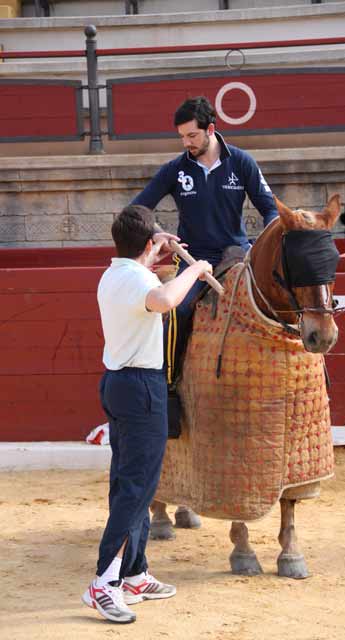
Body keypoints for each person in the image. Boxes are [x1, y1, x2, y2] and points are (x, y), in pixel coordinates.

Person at [82, 204, 212, 624]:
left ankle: (133, 573)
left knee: (130, 481)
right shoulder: (140, 279)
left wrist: (157, 247)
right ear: (148, 244)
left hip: (119, 383)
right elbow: (163, 299)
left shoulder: (113, 273)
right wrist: (195, 270)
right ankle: (104, 582)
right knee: (137, 488)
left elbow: (148, 284)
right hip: (141, 388)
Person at [132, 95, 278, 387]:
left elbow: (270, 209)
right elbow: (137, 209)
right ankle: (168, 385)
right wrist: (156, 233)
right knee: (177, 310)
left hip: (237, 255)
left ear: (211, 129)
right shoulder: (175, 169)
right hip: (192, 258)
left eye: (192, 135)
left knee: (278, 300)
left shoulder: (241, 162)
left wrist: (268, 243)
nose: (186, 142)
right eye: (182, 137)